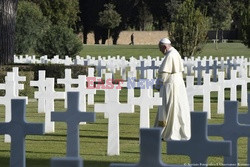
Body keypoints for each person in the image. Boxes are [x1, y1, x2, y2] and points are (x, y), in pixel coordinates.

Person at [154, 38, 191, 141]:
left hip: (170, 85)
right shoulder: (175, 53)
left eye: (160, 49)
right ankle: (175, 132)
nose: (160, 51)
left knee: (168, 108)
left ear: (165, 47)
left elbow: (164, 74)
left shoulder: (170, 55)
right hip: (178, 84)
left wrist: (158, 85)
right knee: (177, 108)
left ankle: (167, 132)